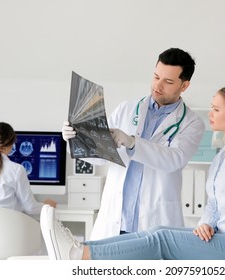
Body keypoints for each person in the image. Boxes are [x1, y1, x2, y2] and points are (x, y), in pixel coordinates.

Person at [41, 85, 225, 260]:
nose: (209, 113)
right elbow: (214, 202)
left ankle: (80, 255)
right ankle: (79, 247)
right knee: (159, 230)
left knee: (162, 241)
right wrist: (206, 222)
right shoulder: (222, 155)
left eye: (215, 109)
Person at [62, 48, 205, 240]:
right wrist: (75, 139)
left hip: (154, 222)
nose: (158, 85)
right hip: (115, 219)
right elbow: (101, 157)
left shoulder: (191, 122)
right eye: (156, 77)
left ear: (184, 85)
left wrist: (132, 143)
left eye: (168, 81)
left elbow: (174, 160)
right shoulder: (126, 109)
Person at [0, 122, 57, 216]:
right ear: (11, 144)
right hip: (9, 229)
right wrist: (47, 205)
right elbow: (30, 208)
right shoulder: (17, 170)